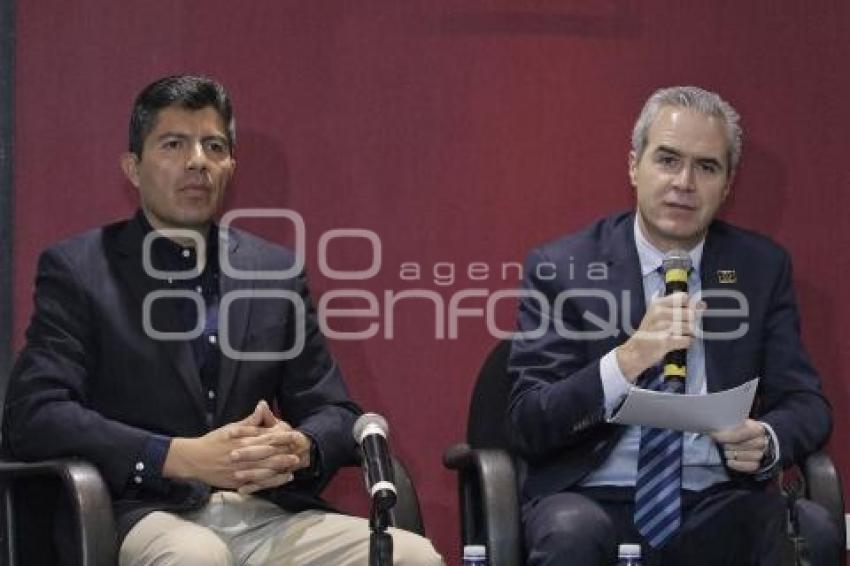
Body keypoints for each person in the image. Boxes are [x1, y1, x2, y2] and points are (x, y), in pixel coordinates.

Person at [3, 74, 442, 566]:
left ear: (230, 166)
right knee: (197, 557)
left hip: (268, 514)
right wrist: (178, 455)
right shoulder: (81, 269)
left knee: (411, 555)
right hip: (143, 511)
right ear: (133, 167)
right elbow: (33, 414)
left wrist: (300, 447)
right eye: (174, 144)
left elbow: (337, 412)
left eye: (214, 146)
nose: (198, 162)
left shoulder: (274, 272)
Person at [508, 86, 836, 565]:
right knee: (571, 535)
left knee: (812, 530)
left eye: (706, 167)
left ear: (726, 187)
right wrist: (628, 359)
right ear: (633, 167)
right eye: (667, 159)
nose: (685, 182)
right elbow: (527, 420)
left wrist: (766, 438)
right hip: (593, 496)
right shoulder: (564, 268)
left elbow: (806, 402)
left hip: (716, 498)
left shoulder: (760, 269)